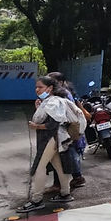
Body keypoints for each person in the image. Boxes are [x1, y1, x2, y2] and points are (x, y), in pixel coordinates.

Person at [18, 75, 77, 213]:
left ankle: (37, 200)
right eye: (36, 87)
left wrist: (36, 127)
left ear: (50, 88)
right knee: (58, 165)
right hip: (55, 139)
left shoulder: (53, 103)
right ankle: (65, 193)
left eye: (40, 87)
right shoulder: (50, 101)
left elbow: (52, 124)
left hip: (50, 138)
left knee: (39, 167)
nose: (37, 90)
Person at [47, 71, 87, 190]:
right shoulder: (62, 92)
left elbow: (61, 114)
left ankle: (62, 185)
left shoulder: (62, 94)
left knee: (64, 154)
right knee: (63, 154)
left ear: (60, 82)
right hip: (68, 128)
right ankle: (72, 179)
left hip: (66, 128)